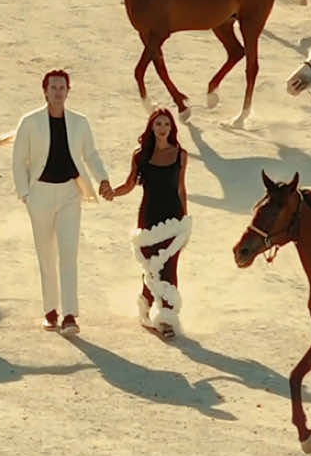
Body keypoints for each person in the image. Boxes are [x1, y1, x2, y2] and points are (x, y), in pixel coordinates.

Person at [12, 69, 113, 336]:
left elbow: (91, 153)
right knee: (45, 254)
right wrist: (25, 194)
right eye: (53, 87)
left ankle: (70, 315)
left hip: (70, 193)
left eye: (62, 87)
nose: (58, 92)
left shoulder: (80, 122)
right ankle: (50, 311)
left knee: (69, 253)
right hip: (40, 195)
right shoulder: (30, 122)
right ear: (45, 91)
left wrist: (102, 178)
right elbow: (19, 160)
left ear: (68, 91)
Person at [113, 107, 190, 339]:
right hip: (148, 217)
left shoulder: (180, 154)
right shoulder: (140, 156)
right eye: (158, 124)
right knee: (151, 264)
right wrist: (113, 192)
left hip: (173, 219)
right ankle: (146, 302)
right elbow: (129, 184)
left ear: (172, 128)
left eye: (166, 124)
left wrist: (185, 221)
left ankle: (166, 319)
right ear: (151, 127)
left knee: (169, 266)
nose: (162, 128)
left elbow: (181, 188)